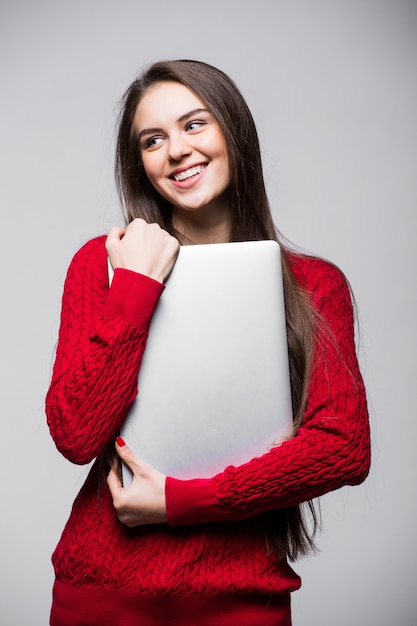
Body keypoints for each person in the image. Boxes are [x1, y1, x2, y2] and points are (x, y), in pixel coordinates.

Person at [45, 59, 371, 626]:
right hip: (103, 594)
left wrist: (183, 502)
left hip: (241, 598)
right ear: (141, 164)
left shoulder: (315, 286)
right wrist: (137, 287)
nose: (176, 150)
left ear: (233, 131)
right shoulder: (102, 266)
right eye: (153, 139)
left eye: (194, 125)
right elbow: (76, 433)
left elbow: (342, 446)